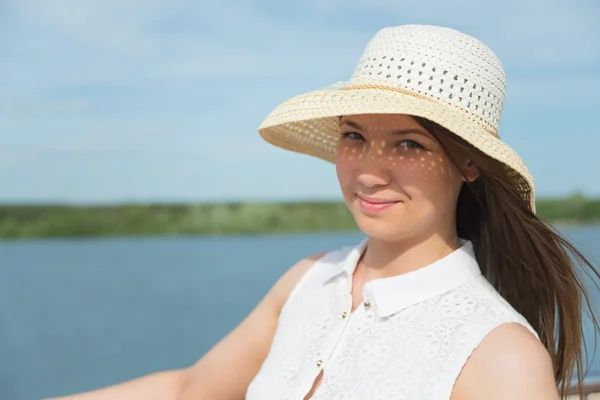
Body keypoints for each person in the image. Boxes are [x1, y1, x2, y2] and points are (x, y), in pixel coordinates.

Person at [48, 24, 598, 400]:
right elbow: (191, 390)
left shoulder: (500, 355)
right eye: (354, 135)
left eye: (410, 144)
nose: (368, 172)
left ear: (470, 163)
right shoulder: (310, 282)